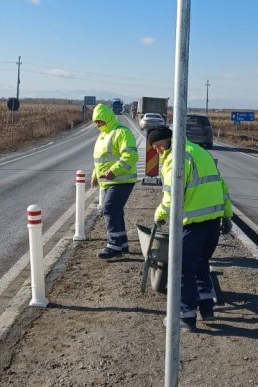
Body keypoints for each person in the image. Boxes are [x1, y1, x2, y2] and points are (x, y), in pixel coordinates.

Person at [146, 125, 233, 332]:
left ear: (169, 139)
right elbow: (222, 187)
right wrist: (227, 215)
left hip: (192, 225)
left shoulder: (176, 159)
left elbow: (171, 198)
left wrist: (159, 216)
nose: (157, 151)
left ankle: (186, 318)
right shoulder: (200, 152)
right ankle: (207, 308)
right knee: (201, 264)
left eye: (159, 146)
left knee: (183, 271)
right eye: (154, 148)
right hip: (212, 223)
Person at [91, 102, 138, 260]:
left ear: (108, 118)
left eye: (100, 121)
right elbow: (100, 160)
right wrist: (95, 177)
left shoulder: (121, 132)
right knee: (115, 211)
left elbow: (130, 156)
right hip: (108, 181)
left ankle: (114, 246)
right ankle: (122, 244)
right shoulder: (102, 135)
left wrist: (114, 171)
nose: (98, 124)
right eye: (96, 122)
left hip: (122, 180)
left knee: (109, 208)